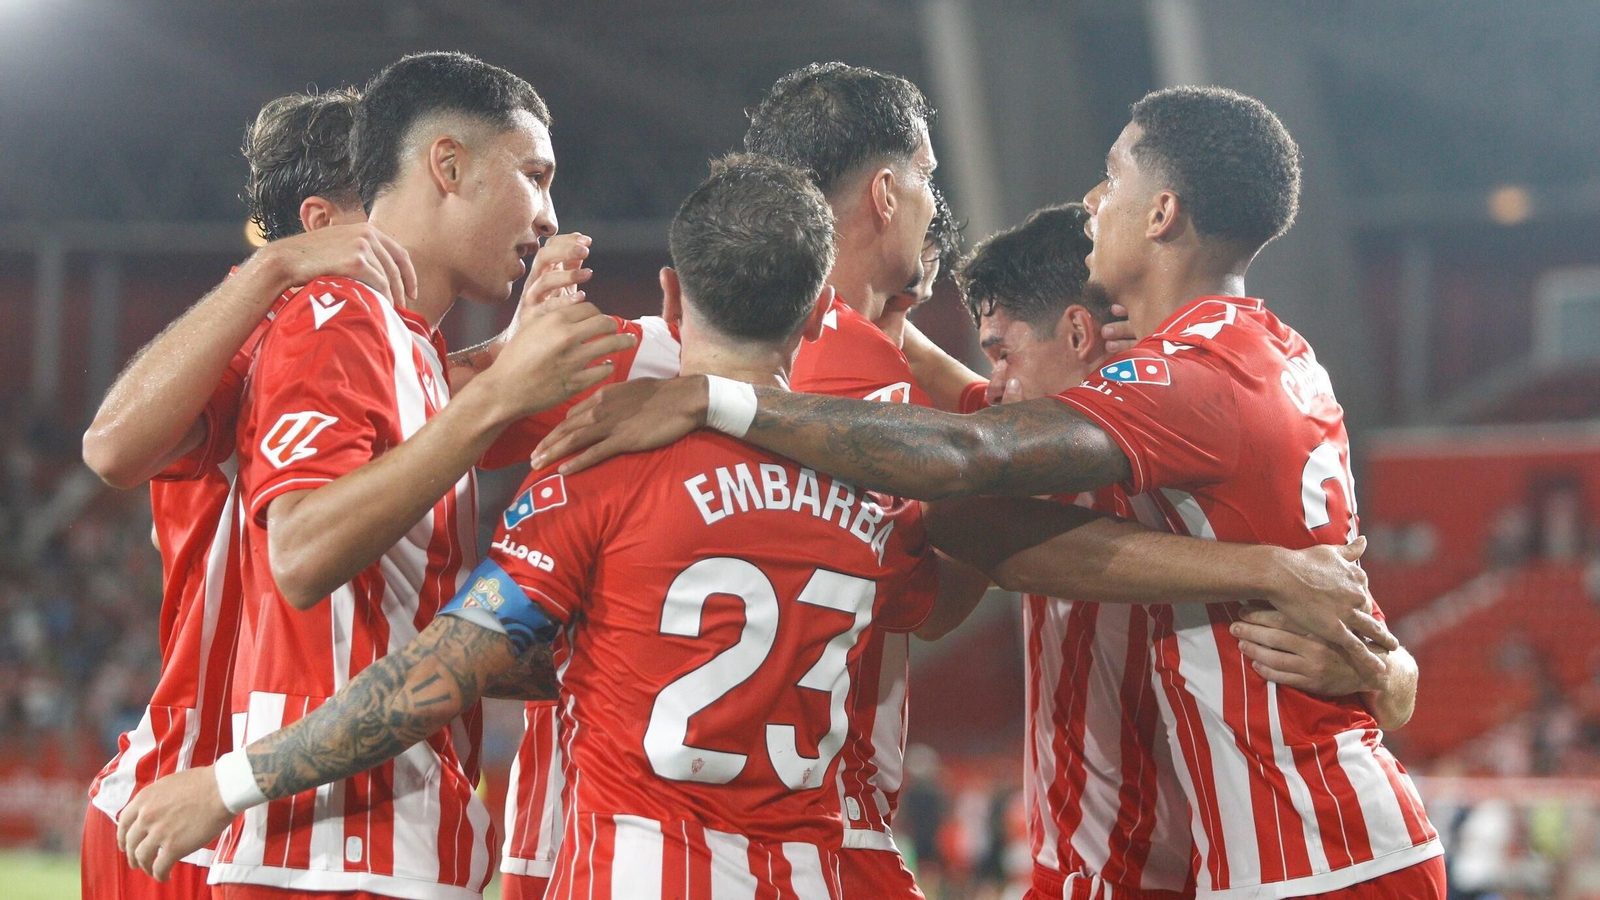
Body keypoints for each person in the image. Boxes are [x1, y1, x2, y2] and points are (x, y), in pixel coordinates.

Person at [533, 85, 1444, 898]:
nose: (1093, 197)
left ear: (1160, 216)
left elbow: (969, 458)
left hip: (1265, 857)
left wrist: (722, 400)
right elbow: (964, 441)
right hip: (1202, 853)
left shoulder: (1177, 389)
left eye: (1112, 176)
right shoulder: (1262, 361)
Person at [122, 51, 634, 899]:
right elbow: (301, 550)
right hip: (325, 849)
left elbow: (402, 616)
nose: (548, 216)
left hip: (393, 834)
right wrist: (499, 391)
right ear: (448, 165)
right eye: (535, 177)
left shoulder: (416, 354)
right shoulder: (333, 312)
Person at [79, 88, 413, 900]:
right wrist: (274, 265)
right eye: (392, 195)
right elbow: (111, 447)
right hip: (191, 820)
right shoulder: (278, 333)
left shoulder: (378, 341)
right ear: (324, 219)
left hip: (269, 811)